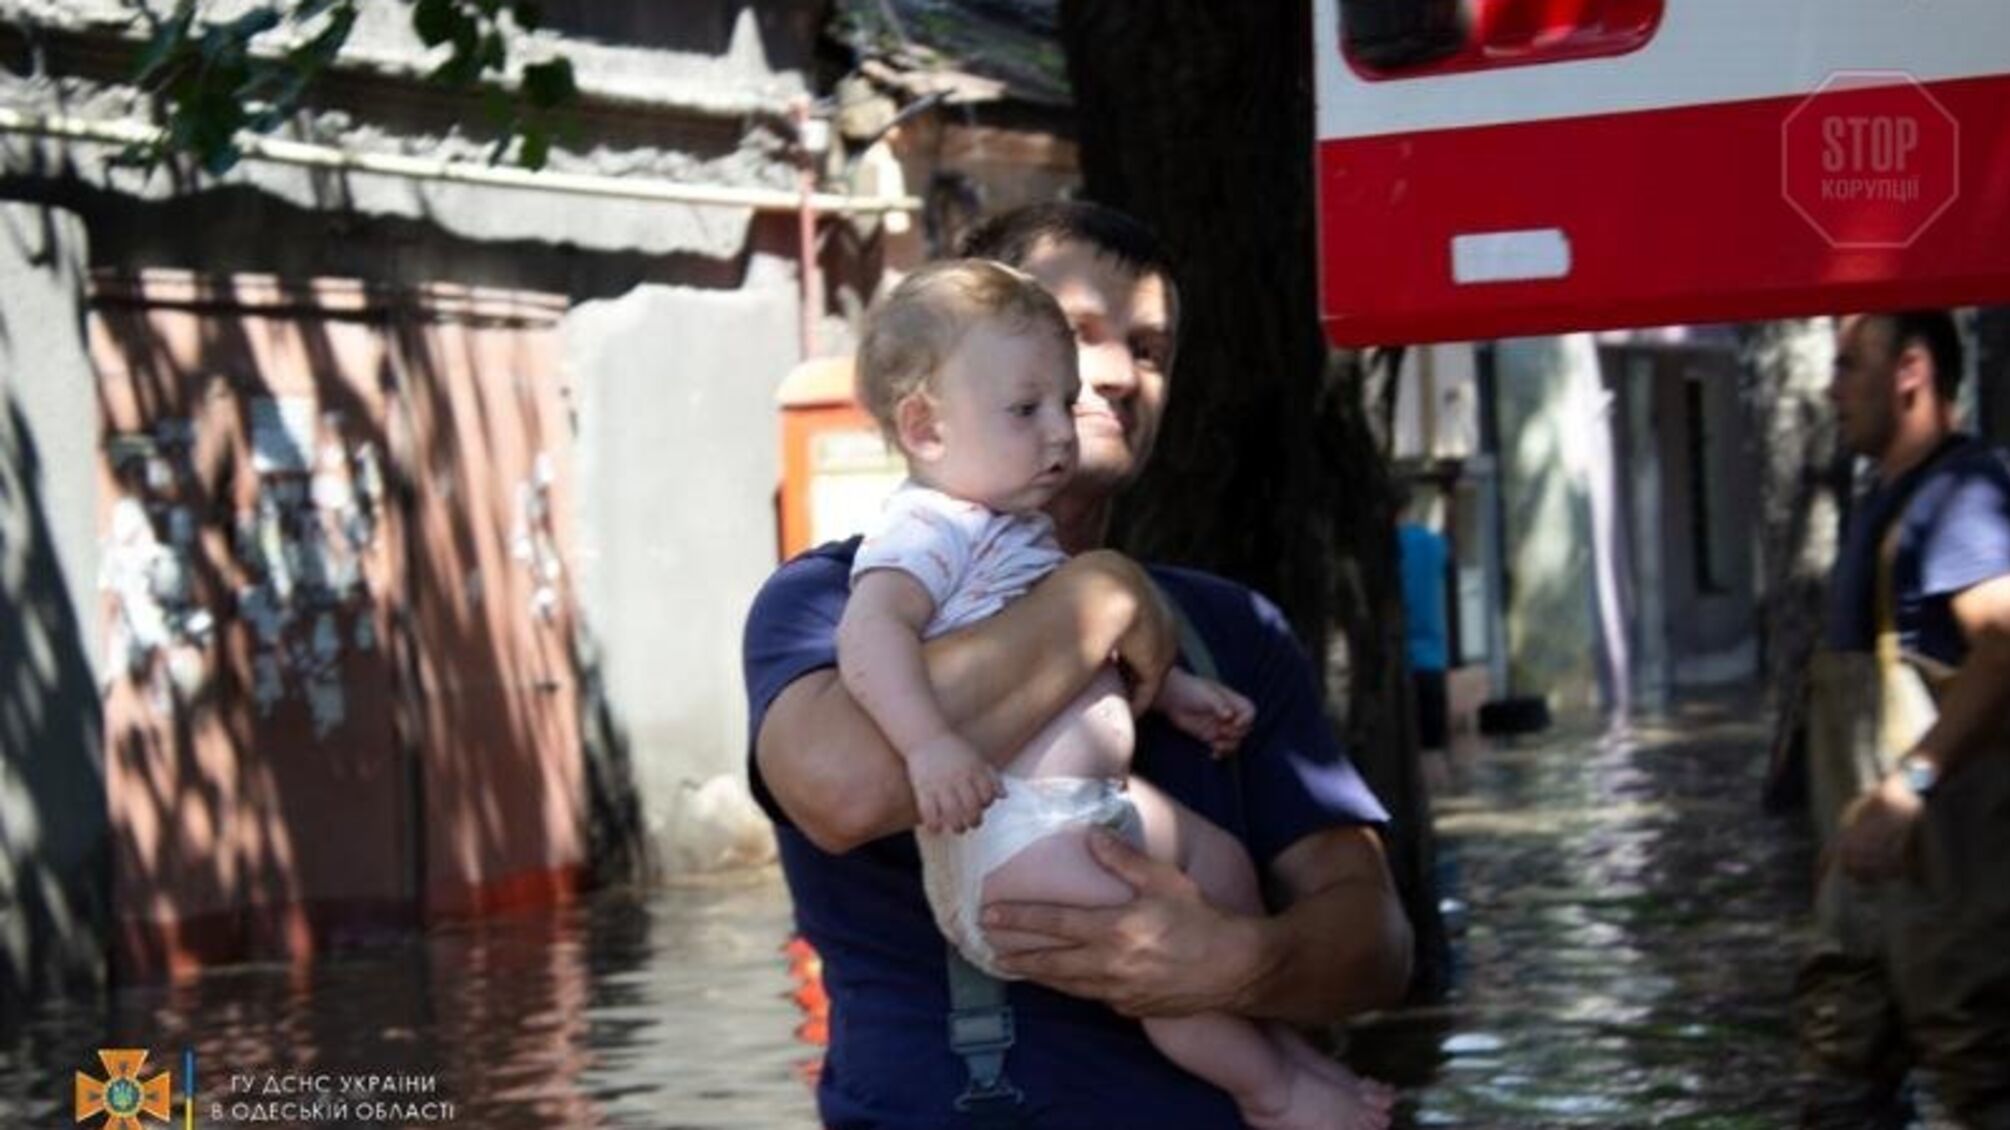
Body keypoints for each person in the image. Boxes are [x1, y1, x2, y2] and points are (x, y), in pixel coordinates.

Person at [744, 202, 1414, 1129]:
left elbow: (1376, 942)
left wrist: (1240, 961)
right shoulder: (827, 597)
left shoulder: (1234, 629)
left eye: (1149, 349)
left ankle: (1278, 1080)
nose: (1114, 374)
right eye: (1072, 333)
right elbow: (845, 789)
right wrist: (1096, 597)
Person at [1797, 309, 2010, 1127]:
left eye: (1851, 364)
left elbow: (2002, 646)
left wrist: (1910, 784)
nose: (1831, 387)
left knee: (1983, 1085)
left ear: (1912, 371)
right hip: (1872, 897)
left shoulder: (1961, 493)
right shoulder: (1886, 503)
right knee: (1839, 1092)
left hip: (1958, 892)